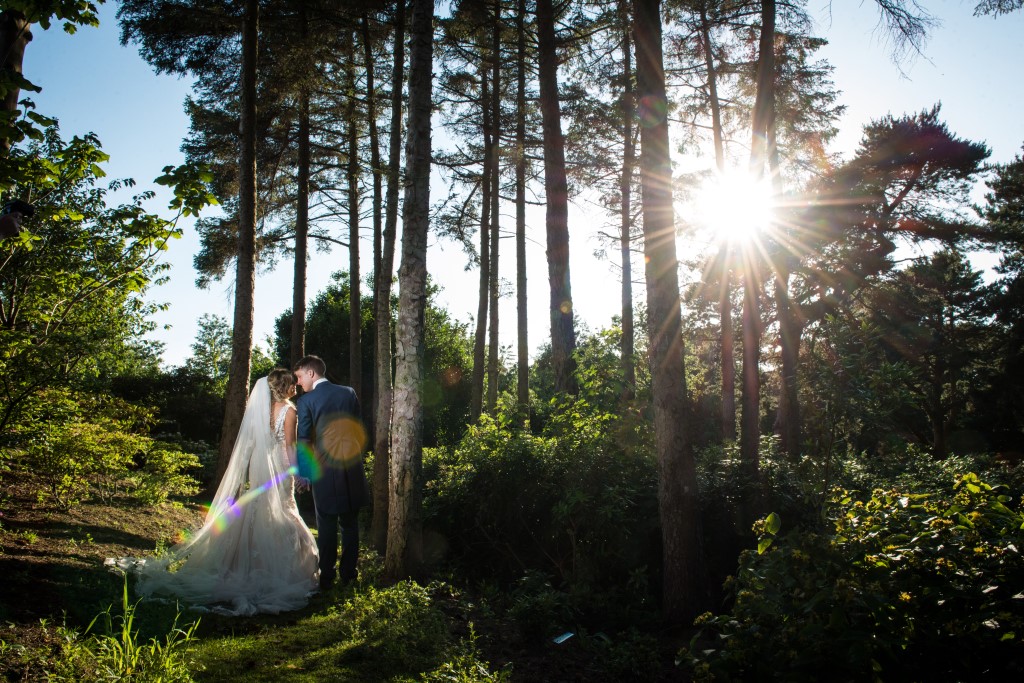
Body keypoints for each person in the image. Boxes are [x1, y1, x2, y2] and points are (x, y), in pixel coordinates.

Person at [113, 369, 319, 616]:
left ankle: (241, 563)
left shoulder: (261, 411)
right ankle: (286, 568)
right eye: (292, 385)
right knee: (283, 508)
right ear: (283, 388)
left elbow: (253, 442)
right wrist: (297, 472)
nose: (295, 388)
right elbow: (289, 445)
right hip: (279, 464)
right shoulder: (290, 411)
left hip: (260, 463)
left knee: (261, 506)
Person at [293, 355, 369, 590]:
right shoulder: (349, 392)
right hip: (352, 465)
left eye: (299, 376)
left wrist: (304, 473)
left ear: (311, 373)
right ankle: (349, 574)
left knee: (325, 523)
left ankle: (327, 577)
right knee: (350, 524)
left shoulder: (306, 401)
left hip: (324, 468)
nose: (298, 382)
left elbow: (304, 438)